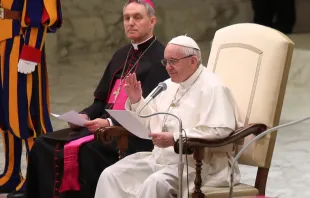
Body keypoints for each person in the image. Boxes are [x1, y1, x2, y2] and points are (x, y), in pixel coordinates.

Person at [24, 0, 169, 198]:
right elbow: (101, 101)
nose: (130, 22)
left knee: (87, 152)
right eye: (126, 18)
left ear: (152, 21)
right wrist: (83, 116)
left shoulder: (160, 58)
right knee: (42, 143)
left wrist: (109, 122)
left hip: (130, 135)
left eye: (137, 17)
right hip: (99, 127)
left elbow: (150, 110)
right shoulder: (120, 55)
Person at [94, 35, 244, 198]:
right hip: (160, 160)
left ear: (193, 61)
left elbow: (219, 130)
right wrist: (137, 100)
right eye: (165, 61)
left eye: (173, 61)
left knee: (155, 183)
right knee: (111, 175)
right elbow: (149, 122)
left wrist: (176, 138)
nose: (168, 67)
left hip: (198, 165)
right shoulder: (168, 85)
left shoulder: (213, 88)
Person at [0, 0, 62, 197]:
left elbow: (39, 15)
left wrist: (31, 52)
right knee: (5, 111)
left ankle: (38, 177)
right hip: (3, 42)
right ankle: (11, 174)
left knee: (28, 112)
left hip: (21, 45)